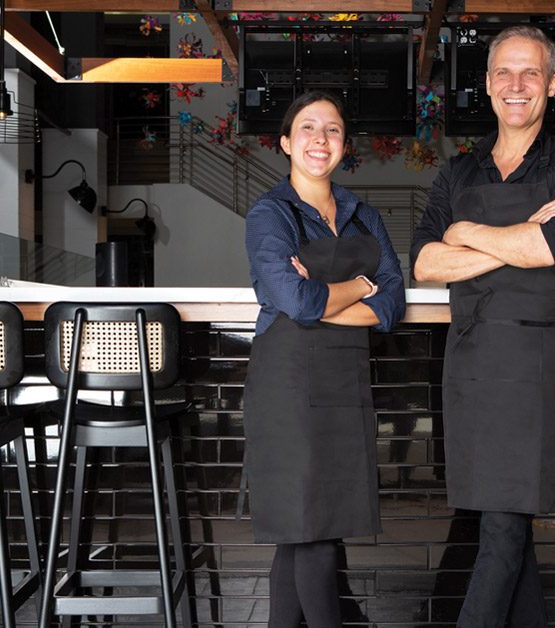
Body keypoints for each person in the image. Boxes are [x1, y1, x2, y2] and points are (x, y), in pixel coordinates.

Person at [409, 25, 555, 626]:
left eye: (529, 73)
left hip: (536, 362)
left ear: (551, 84)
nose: (515, 85)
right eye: (503, 73)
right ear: (488, 86)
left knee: (503, 525)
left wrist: (465, 233)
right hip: (472, 361)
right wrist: (510, 240)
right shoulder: (458, 172)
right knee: (503, 520)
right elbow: (423, 262)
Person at [242, 90, 406, 627]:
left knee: (307, 534)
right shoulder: (270, 213)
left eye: (332, 130)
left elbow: (391, 302)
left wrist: (337, 295)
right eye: (308, 128)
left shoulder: (363, 215)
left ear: (344, 145)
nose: (320, 139)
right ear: (287, 142)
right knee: (310, 532)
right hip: (287, 385)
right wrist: (358, 286)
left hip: (344, 380)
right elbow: (294, 299)